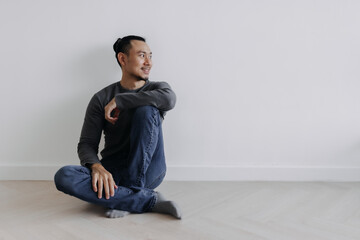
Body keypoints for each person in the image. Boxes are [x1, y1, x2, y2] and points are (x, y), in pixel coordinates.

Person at [54, 35, 182, 219]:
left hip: (149, 171)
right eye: (142, 55)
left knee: (145, 110)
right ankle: (145, 200)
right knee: (64, 175)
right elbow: (87, 144)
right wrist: (97, 167)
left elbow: (170, 100)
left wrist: (121, 101)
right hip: (112, 171)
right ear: (123, 59)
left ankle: (130, 191)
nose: (149, 62)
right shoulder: (101, 98)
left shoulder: (158, 89)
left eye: (150, 56)